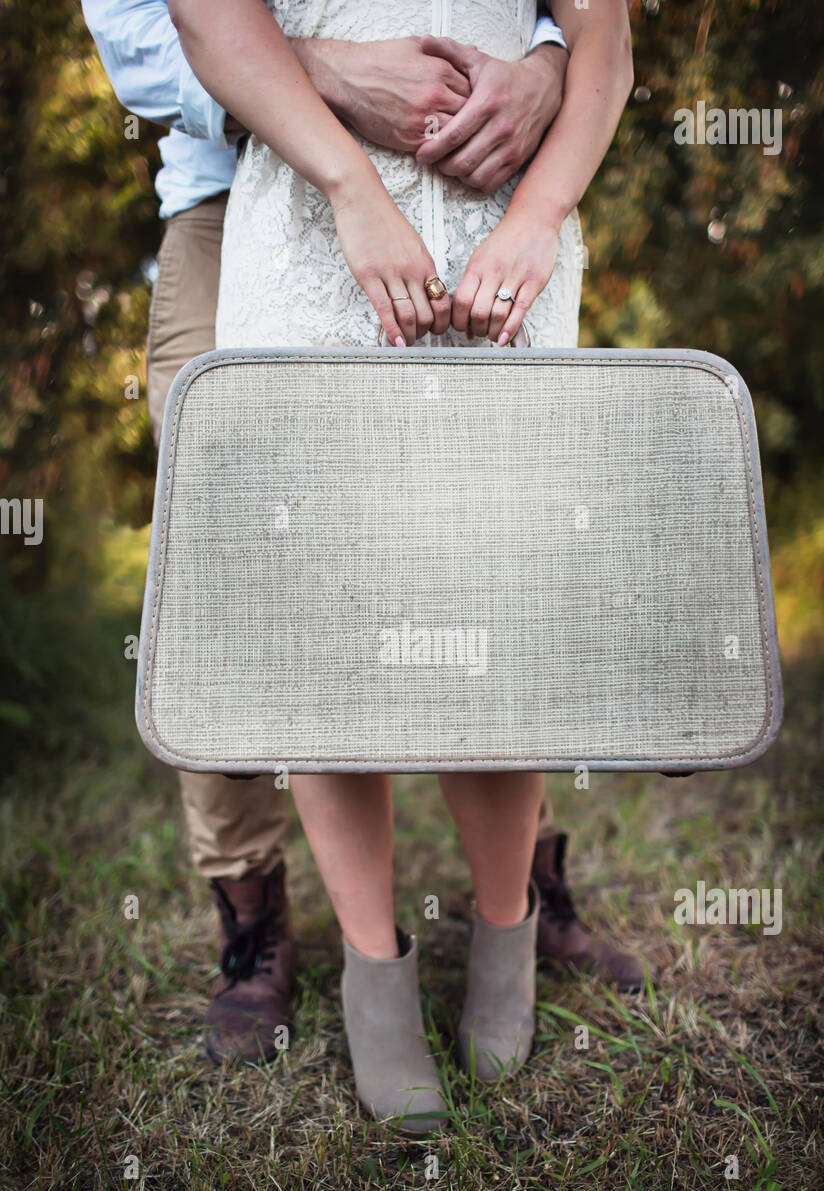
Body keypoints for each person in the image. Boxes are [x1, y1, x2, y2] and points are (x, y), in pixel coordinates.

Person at [83, 0, 642, 1109]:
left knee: (494, 603)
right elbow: (188, 25)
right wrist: (337, 131)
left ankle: (512, 927)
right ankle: (340, 957)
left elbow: (604, 36)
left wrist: (543, 119)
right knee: (314, 615)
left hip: (501, 214)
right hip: (281, 206)